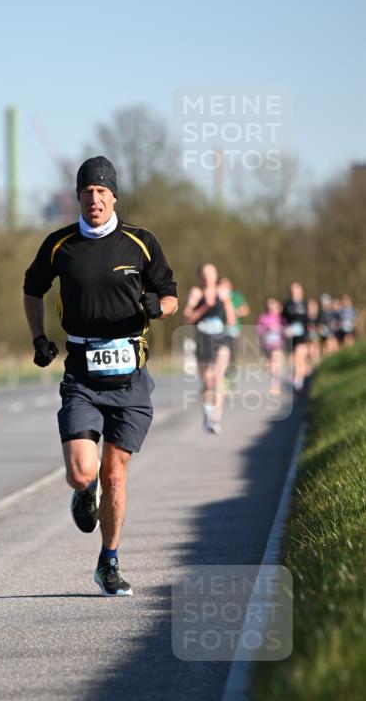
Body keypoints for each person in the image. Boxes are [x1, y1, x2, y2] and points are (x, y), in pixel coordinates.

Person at [23, 156, 178, 596]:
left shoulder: (141, 243)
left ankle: (108, 562)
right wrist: (39, 338)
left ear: (114, 196)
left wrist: (158, 308)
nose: (95, 199)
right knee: (81, 472)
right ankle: (81, 491)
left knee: (114, 475)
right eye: (87, 192)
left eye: (102, 192)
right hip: (82, 375)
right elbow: (32, 289)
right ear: (78, 196)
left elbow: (170, 296)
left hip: (130, 377)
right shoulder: (59, 245)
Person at [183, 263, 235, 434]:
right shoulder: (196, 293)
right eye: (205, 273)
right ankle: (207, 411)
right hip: (203, 340)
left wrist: (226, 303)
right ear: (201, 277)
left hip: (221, 339)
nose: (208, 277)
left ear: (216, 274)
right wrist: (204, 306)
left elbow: (231, 319)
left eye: (211, 273)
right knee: (208, 380)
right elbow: (187, 319)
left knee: (218, 378)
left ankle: (215, 418)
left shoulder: (222, 291)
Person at [217, 276, 249, 380]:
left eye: (225, 285)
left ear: (230, 286)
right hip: (219, 328)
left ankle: (231, 372)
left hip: (233, 328)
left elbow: (246, 310)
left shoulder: (236, 296)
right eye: (221, 284)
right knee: (221, 352)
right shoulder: (217, 297)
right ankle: (222, 373)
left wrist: (234, 312)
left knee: (232, 352)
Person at [282, 282, 309, 391]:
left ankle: (299, 381)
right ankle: (295, 377)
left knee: (300, 357)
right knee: (292, 359)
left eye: (297, 291)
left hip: (302, 336)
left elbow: (309, 319)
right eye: (293, 291)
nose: (295, 293)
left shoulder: (305, 303)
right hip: (290, 336)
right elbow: (282, 319)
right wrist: (285, 329)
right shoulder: (287, 304)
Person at [256, 298, 285, 397]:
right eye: (270, 306)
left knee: (276, 366)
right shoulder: (263, 317)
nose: (272, 308)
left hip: (278, 345)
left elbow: (287, 330)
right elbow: (258, 330)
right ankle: (274, 385)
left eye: (274, 306)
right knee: (270, 366)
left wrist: (281, 330)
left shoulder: (282, 318)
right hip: (267, 345)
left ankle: (275, 387)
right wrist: (267, 329)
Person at [318, 292, 338, 357]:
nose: (325, 306)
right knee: (326, 346)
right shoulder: (320, 314)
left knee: (333, 343)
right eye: (324, 304)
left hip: (332, 334)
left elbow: (336, 323)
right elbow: (319, 326)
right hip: (324, 335)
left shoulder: (333, 313)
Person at [306, 297, 322, 370]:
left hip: (317, 339)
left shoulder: (320, 316)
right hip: (308, 339)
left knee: (316, 350)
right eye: (310, 306)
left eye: (313, 306)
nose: (312, 308)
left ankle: (317, 368)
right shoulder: (305, 317)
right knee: (310, 351)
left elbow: (322, 328)